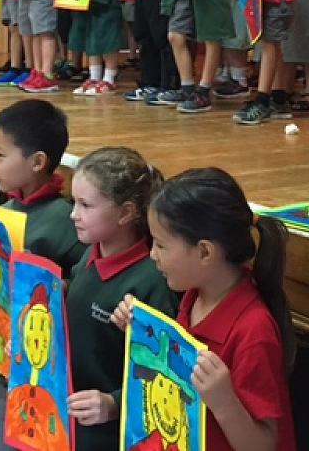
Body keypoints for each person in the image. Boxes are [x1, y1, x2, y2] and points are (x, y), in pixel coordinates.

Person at [113, 168, 297, 451]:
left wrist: (224, 402)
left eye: (161, 245)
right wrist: (140, 332)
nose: (152, 256)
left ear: (205, 252)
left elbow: (264, 445)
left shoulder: (253, 332)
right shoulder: (194, 296)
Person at [0, 99, 85, 451]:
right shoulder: (4, 210)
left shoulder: (64, 223)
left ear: (37, 162)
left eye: (1, 155)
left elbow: (77, 292)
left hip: (31, 372)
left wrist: (54, 287)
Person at [65, 147, 177, 450]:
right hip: (71, 427)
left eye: (85, 205)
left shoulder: (153, 281)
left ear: (126, 212)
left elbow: (168, 377)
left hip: (112, 435)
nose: (73, 214)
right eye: (74, 202)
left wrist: (113, 403)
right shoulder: (90, 253)